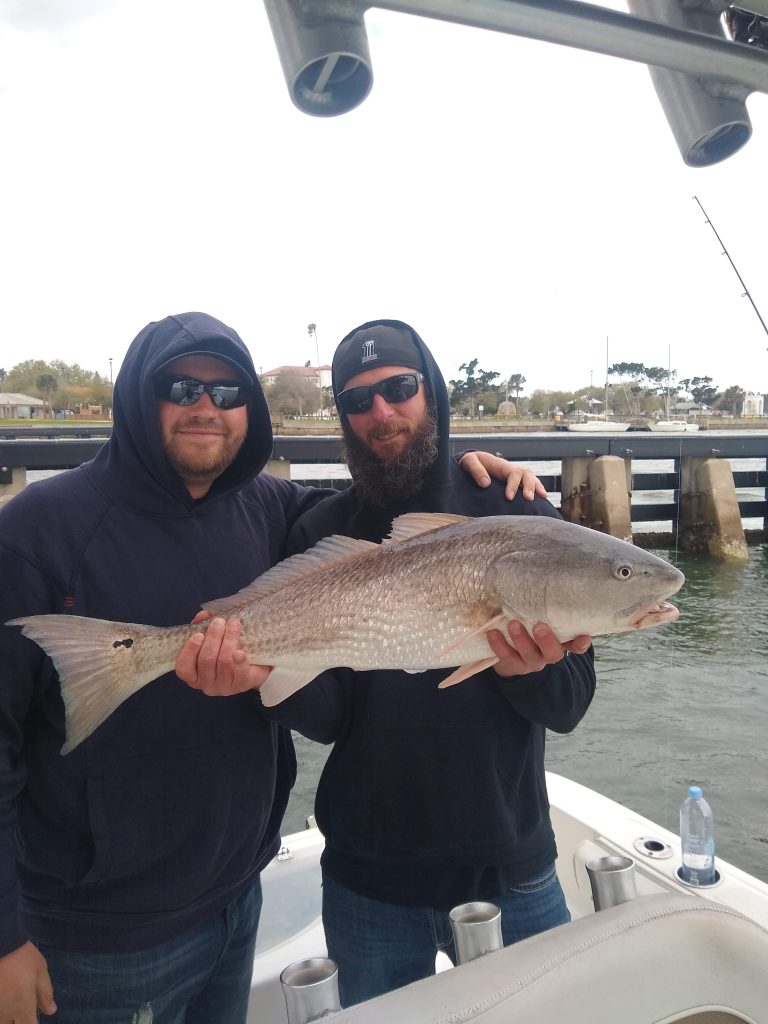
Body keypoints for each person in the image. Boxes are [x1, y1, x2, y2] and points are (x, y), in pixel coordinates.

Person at [0, 311, 543, 1024]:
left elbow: (385, 523)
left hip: (237, 897)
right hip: (98, 933)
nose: (206, 408)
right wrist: (7, 937)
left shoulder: (270, 509)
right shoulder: (38, 528)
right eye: (180, 387)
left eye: (228, 394)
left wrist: (478, 483)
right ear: (137, 395)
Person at [178, 319, 596, 1008]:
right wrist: (267, 683)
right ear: (341, 416)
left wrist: (534, 670)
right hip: (369, 885)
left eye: (399, 388)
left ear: (431, 391)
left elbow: (572, 704)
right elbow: (335, 716)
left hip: (511, 870)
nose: (381, 412)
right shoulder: (319, 532)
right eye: (356, 399)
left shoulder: (509, 504)